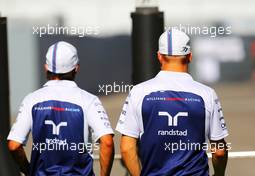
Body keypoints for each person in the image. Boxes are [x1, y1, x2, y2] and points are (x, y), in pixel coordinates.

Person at [116, 29, 229, 176]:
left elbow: (126, 148)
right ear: (190, 56)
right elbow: (219, 151)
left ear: (159, 56)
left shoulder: (138, 92)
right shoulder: (207, 94)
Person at [7, 41, 114, 176]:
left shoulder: (31, 100)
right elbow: (107, 143)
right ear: (76, 68)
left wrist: (28, 171)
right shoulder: (89, 100)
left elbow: (14, 145)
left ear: (46, 67)